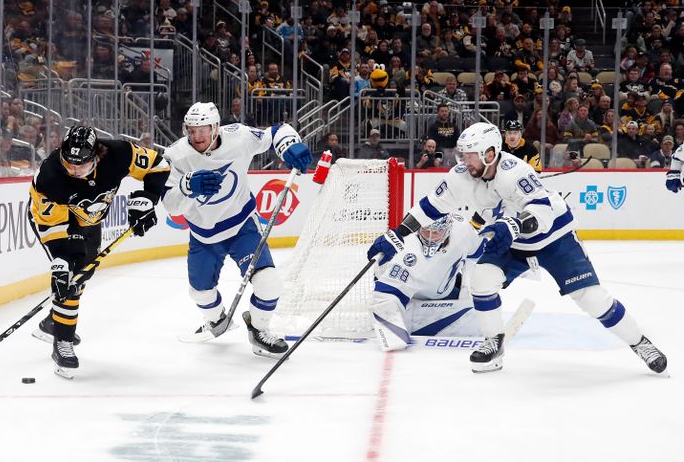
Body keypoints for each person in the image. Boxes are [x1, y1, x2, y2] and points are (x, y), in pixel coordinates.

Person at [368, 122, 667, 374]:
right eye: (462, 154)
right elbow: (431, 206)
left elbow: (541, 212)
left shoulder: (515, 171)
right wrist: (398, 233)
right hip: (512, 239)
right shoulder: (461, 175)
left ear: (490, 153)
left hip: (553, 237)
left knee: (592, 299)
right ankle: (493, 345)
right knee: (482, 279)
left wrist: (512, 226)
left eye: (470, 155)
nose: (463, 161)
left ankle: (640, 342)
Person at [161, 102, 312, 358]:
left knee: (269, 283)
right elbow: (170, 205)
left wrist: (289, 145)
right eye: (192, 130)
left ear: (216, 127)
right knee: (199, 292)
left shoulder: (238, 136)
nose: (197, 136)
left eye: (203, 130)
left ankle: (259, 330)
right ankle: (218, 320)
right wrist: (188, 188)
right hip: (204, 234)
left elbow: (276, 132)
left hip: (243, 227)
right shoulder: (176, 156)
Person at [28, 125, 170, 378]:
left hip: (91, 222)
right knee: (71, 273)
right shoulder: (49, 176)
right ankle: (63, 341)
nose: (74, 170)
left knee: (82, 277)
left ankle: (54, 320)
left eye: (81, 165)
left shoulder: (119, 153)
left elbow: (158, 165)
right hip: (58, 224)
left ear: (97, 155)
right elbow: (52, 227)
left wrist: (149, 198)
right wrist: (60, 261)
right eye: (69, 164)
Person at [367, 213, 485, 351]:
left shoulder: (463, 230)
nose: (430, 237)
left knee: (483, 309)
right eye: (426, 231)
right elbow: (383, 297)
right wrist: (394, 335)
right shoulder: (407, 253)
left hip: (447, 291)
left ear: (448, 229)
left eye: (436, 231)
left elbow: (476, 249)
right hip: (414, 299)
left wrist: (467, 288)